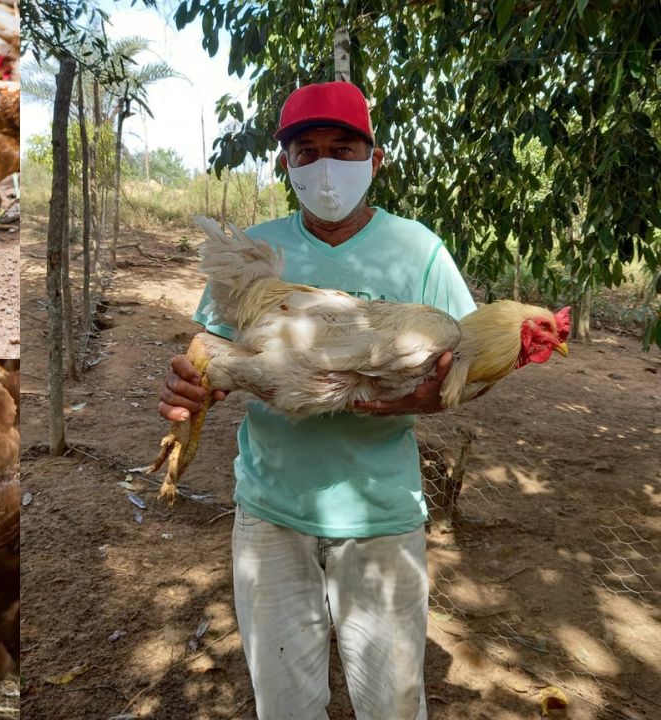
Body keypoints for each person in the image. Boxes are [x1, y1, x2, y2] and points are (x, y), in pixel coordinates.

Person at [157, 81, 477, 719]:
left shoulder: (420, 250)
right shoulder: (254, 251)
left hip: (381, 516)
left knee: (392, 703)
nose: (326, 164)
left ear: (375, 158)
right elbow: (216, 357)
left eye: (342, 147)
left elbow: (466, 372)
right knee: (284, 705)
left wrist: (405, 400)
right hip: (271, 510)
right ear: (286, 164)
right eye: (308, 151)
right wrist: (193, 389)